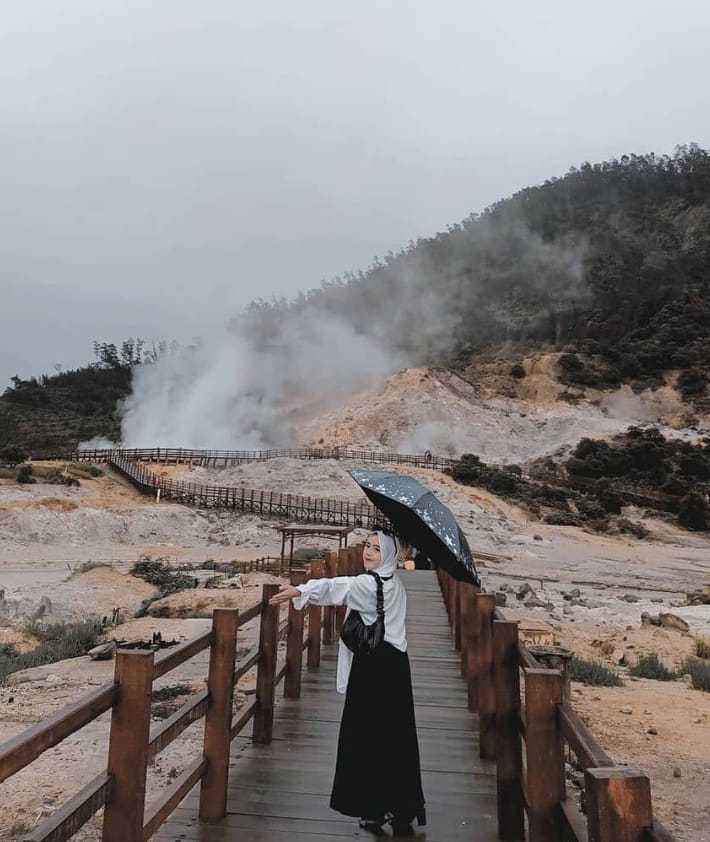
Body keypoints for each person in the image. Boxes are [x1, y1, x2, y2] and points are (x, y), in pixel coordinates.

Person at [269, 531, 426, 835]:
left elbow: (336, 588)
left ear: (389, 556)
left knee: (366, 738)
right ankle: (402, 809)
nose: (368, 552)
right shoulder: (396, 584)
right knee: (398, 739)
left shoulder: (368, 584)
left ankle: (373, 808)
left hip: (373, 669)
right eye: (368, 546)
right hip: (397, 667)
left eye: (377, 549)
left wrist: (300, 590)